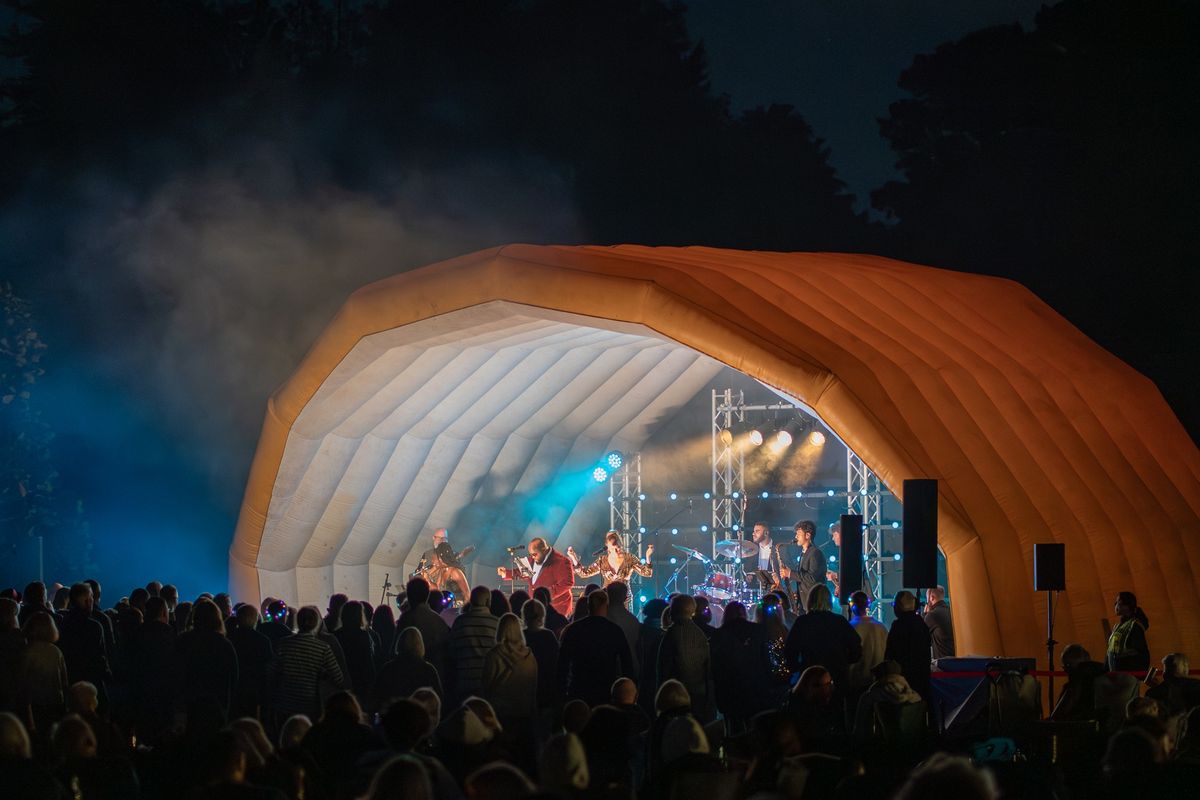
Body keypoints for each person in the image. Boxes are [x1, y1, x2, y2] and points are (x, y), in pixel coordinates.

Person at [784, 584, 862, 728]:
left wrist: (797, 670)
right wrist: (846, 662)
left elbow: (790, 650)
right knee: (836, 718)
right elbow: (856, 647)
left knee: (811, 721)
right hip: (836, 678)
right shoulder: (839, 621)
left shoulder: (803, 622)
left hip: (810, 678)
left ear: (810, 600)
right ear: (829, 601)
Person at [557, 590, 635, 706]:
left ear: (588, 606)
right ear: (606, 605)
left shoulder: (574, 629)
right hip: (606, 688)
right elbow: (626, 662)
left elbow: (563, 662)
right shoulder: (614, 630)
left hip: (579, 687)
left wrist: (562, 691)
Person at [271, 606, 345, 723]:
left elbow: (272, 672)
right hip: (310, 706)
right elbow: (339, 678)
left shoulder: (283, 644)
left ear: (298, 622)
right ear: (316, 623)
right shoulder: (323, 648)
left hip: (285, 705)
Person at [710, 601, 773, 733]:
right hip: (756, 688)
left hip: (730, 690)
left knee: (733, 729)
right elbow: (767, 660)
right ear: (744, 613)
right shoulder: (759, 630)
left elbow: (715, 665)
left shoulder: (718, 634)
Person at [176, 597, 239, 720]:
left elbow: (175, 672)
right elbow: (233, 678)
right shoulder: (224, 644)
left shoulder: (183, 640)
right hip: (217, 707)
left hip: (188, 705)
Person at [657, 594, 716, 723]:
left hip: (677, 695)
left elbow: (663, 667)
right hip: (699, 693)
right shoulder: (699, 634)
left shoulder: (672, 634)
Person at [481, 613, 538, 741]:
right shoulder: (529, 656)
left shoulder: (494, 655)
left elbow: (485, 685)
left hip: (500, 713)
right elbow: (533, 686)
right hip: (523, 713)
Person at [497, 536, 576, 618]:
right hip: (537, 609)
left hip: (557, 610)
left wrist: (545, 595)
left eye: (534, 554)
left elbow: (567, 583)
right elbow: (524, 572)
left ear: (544, 550)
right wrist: (506, 573)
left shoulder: (562, 561)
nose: (532, 557)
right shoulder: (533, 558)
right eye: (530, 555)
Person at [447, 585, 500, 702]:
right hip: (488, 684)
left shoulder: (460, 622)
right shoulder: (496, 623)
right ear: (488, 602)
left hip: (464, 681)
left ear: (471, 601)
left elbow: (451, 650)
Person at [394, 578, 451, 677]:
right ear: (426, 595)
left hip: (407, 676)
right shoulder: (439, 621)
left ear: (409, 596)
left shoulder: (405, 619)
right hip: (433, 675)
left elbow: (395, 651)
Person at [228, 604, 274, 719]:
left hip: (233, 689)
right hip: (255, 689)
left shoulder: (229, 638)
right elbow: (268, 667)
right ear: (255, 619)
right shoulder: (263, 640)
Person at [886, 590, 933, 702]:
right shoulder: (922, 624)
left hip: (903, 684)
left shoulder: (898, 626)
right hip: (922, 682)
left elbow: (891, 656)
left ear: (898, 607)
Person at [567, 531, 654, 586]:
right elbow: (584, 573)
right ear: (608, 547)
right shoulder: (602, 561)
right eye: (614, 548)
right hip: (606, 600)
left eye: (619, 547)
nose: (617, 550)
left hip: (624, 600)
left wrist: (648, 557)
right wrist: (574, 558)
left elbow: (647, 573)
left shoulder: (630, 558)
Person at [520, 598, 560, 713]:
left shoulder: (521, 635)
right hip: (546, 688)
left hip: (525, 688)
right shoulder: (548, 636)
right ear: (542, 615)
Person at [334, 600, 377, 698]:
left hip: (341, 678)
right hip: (360, 678)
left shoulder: (336, 635)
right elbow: (367, 660)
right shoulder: (363, 635)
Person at [847, 591, 888, 692]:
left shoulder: (850, 628)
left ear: (852, 606)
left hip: (855, 683)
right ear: (867, 605)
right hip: (878, 683)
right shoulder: (881, 627)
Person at [780, 520, 824, 613]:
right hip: (804, 603)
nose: (796, 537)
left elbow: (812, 578)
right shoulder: (803, 553)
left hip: (813, 603)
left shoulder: (815, 553)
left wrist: (790, 573)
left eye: (798, 534)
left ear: (807, 535)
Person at [1108, 591, 1150, 672]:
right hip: (1116, 671)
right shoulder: (1117, 626)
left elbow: (1139, 650)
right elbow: (1111, 650)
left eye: (1119, 603)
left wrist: (1120, 657)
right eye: (1116, 603)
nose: (1116, 606)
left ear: (1127, 606)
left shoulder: (1135, 625)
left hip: (1128, 672)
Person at [923, 585, 956, 660]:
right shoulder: (952, 612)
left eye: (927, 599)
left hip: (941, 663)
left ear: (931, 598)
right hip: (956, 661)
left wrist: (925, 614)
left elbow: (920, 635)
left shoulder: (932, 615)